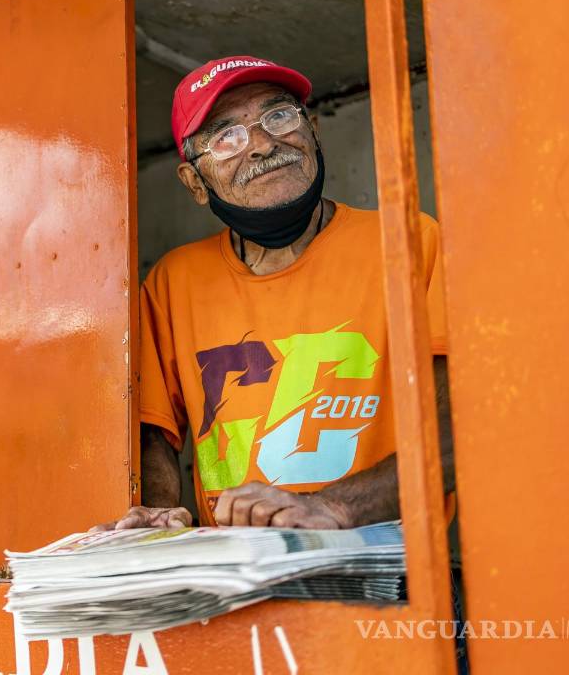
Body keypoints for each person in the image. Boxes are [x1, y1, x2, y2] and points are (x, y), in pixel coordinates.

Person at [96, 55, 454, 531]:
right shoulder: (172, 283)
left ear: (314, 133)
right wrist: (162, 512)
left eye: (278, 116)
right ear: (195, 184)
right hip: (241, 579)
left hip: (390, 577)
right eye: (226, 137)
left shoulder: (412, 242)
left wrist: (337, 506)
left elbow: (461, 422)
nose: (264, 144)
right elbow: (152, 432)